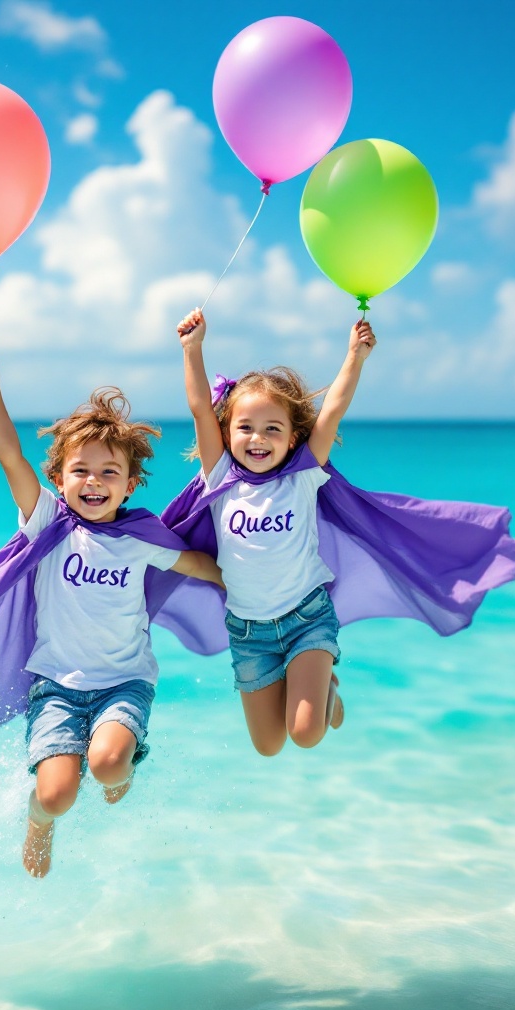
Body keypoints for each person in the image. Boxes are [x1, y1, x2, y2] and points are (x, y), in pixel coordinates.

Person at [0, 344, 223, 877]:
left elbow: (197, 564)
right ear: (58, 479)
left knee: (107, 766)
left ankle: (124, 766)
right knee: (56, 796)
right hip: (56, 686)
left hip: (125, 681)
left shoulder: (140, 538)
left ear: (129, 485)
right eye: (80, 470)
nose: (94, 481)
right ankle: (39, 822)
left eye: (110, 472)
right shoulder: (46, 525)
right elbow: (11, 458)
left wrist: (255, 586)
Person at [175, 308, 373, 758]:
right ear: (227, 432)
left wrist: (355, 357)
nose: (257, 438)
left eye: (272, 429)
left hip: (306, 618)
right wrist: (192, 349)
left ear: (292, 438)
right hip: (248, 633)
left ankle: (327, 694)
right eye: (245, 427)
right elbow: (200, 409)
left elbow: (334, 408)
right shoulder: (220, 478)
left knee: (305, 733)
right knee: (269, 746)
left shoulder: (302, 475)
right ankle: (315, 682)